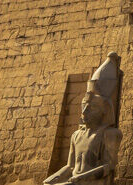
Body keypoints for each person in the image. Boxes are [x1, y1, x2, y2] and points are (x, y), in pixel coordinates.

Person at [44, 53, 122, 185]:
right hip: (76, 181)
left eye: (92, 107)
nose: (85, 112)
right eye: (84, 106)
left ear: (105, 110)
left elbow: (109, 167)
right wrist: (53, 178)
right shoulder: (76, 135)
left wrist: (83, 177)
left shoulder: (110, 134)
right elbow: (70, 166)